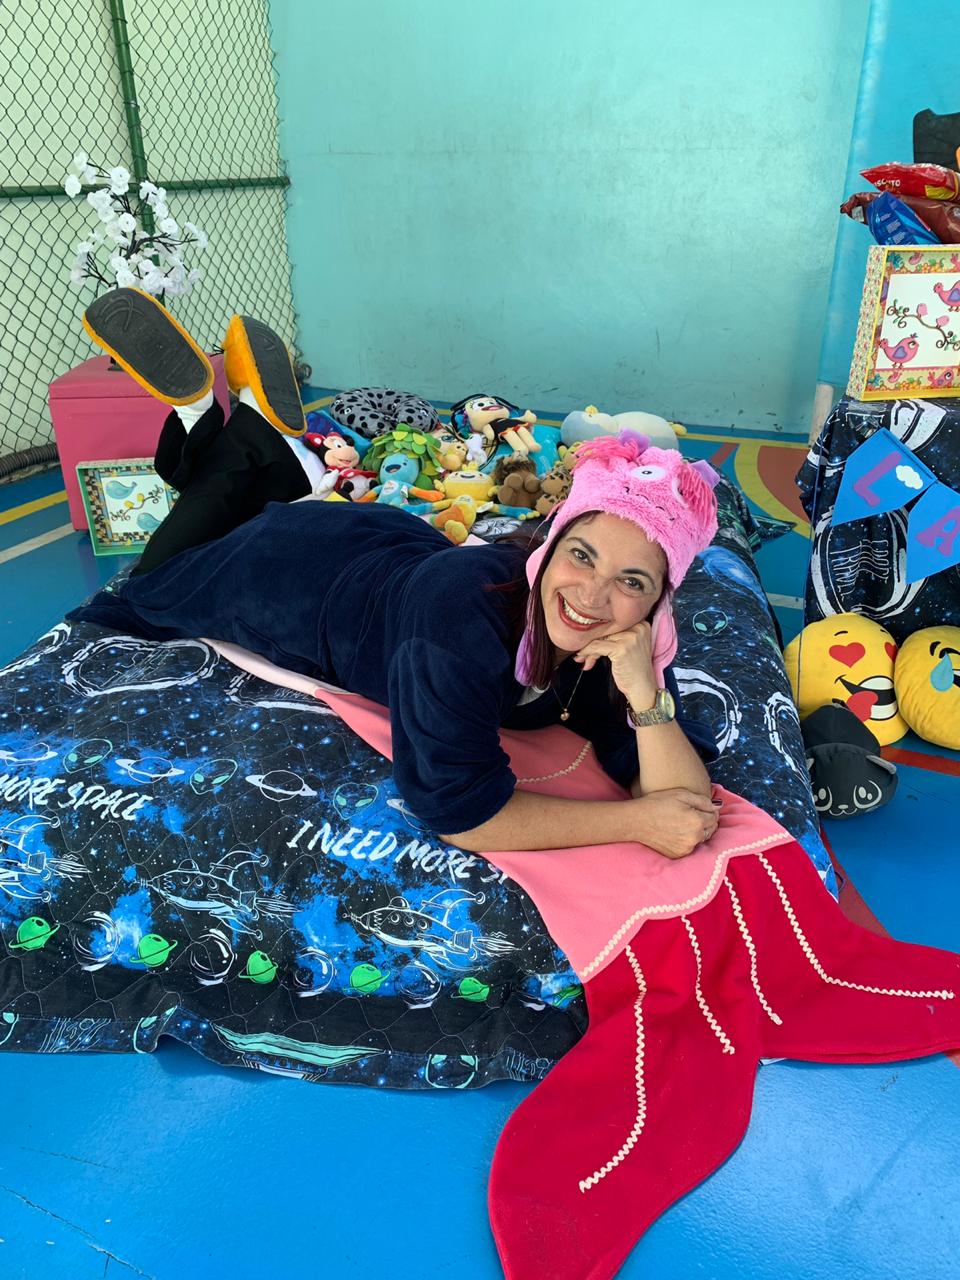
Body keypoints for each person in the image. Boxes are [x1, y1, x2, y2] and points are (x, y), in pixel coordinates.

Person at [72, 300, 722, 860]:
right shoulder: (458, 628)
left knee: (236, 515)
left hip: (385, 545)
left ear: (659, 602)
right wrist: (634, 823)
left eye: (632, 581)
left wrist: (646, 695)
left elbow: (684, 799)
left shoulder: (627, 640)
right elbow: (464, 815)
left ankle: (254, 438)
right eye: (581, 555)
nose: (593, 595)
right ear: (548, 548)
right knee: (151, 584)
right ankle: (209, 419)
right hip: (292, 575)